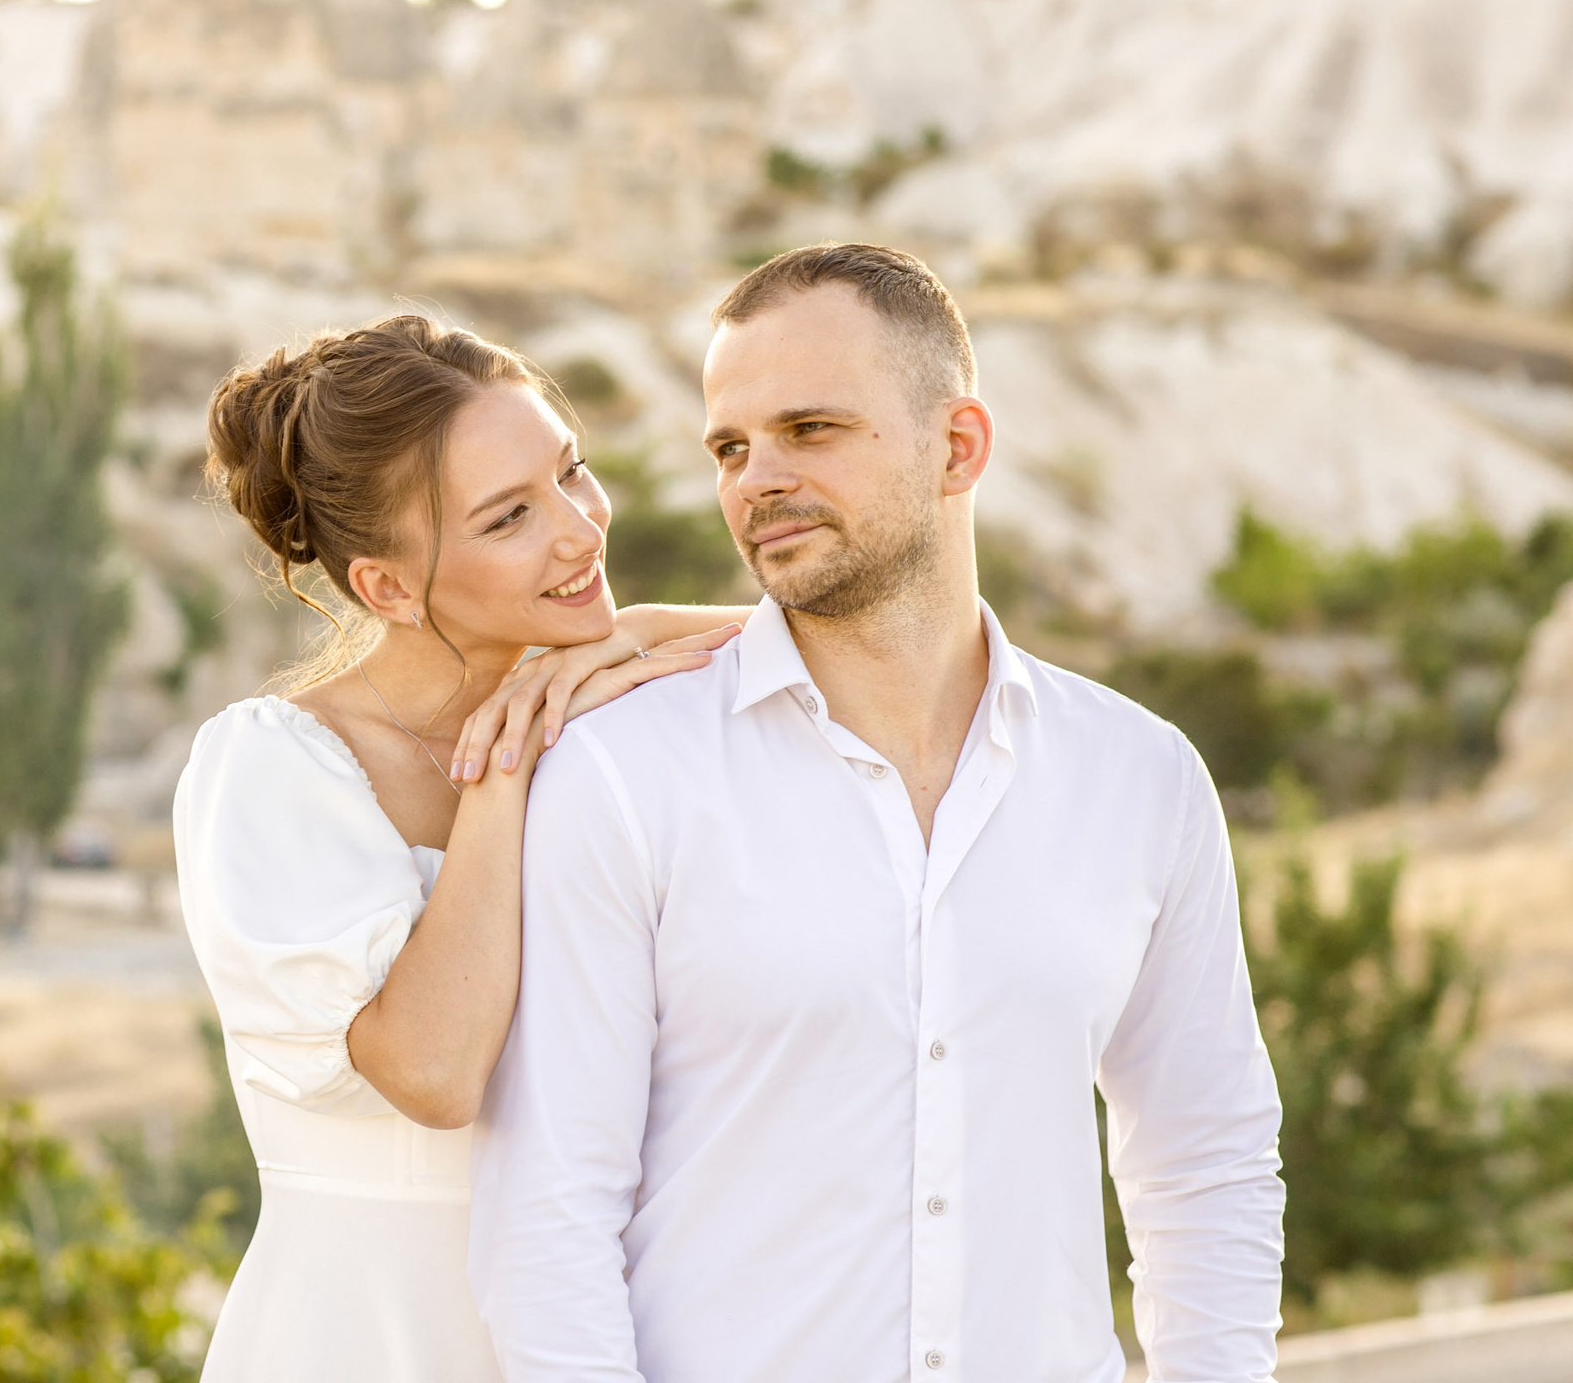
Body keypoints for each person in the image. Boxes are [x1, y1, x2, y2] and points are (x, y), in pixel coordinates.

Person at [470, 241, 1285, 1381]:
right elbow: (547, 1218)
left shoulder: (1140, 778)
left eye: (809, 429)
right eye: (730, 447)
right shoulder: (623, 775)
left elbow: (1207, 1160)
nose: (755, 479)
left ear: (959, 447)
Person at [177, 314, 748, 1383]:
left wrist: (632, 631)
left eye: (570, 472)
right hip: (369, 1338)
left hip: (599, 1324)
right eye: (509, 517)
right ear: (387, 588)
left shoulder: (596, 702)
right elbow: (435, 1074)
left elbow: (848, 655)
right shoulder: (273, 769)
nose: (579, 530)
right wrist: (503, 770)